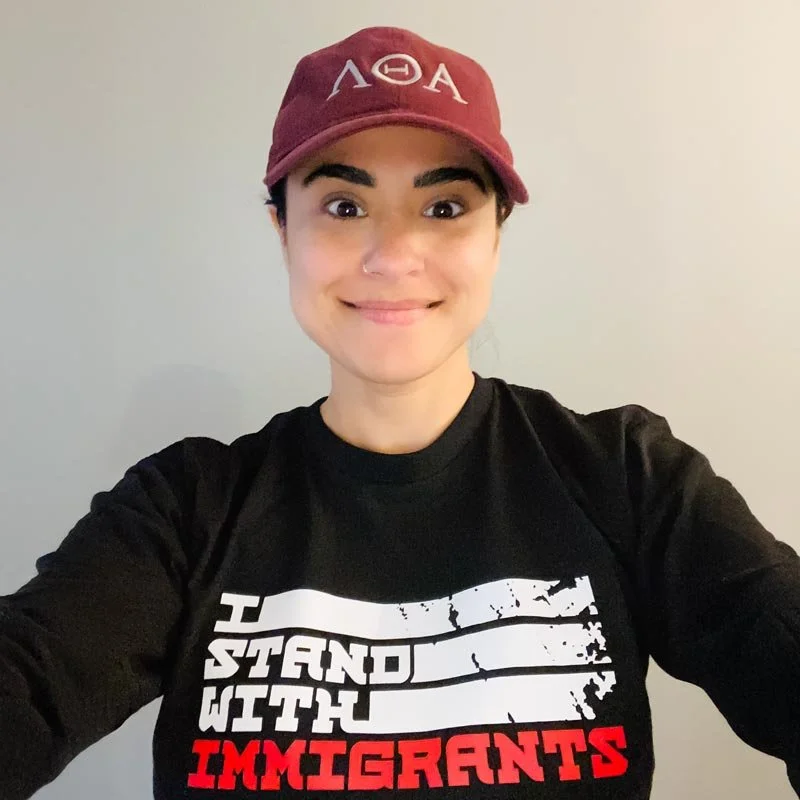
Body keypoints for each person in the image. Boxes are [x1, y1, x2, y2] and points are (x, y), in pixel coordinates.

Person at [1, 24, 798, 800]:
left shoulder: (627, 476)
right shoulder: (186, 510)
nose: (392, 257)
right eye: (344, 207)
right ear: (283, 228)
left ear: (496, 236)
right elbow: (26, 684)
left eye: (445, 208)